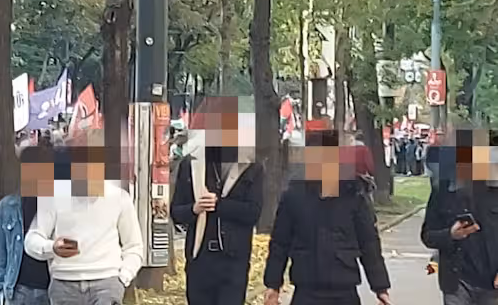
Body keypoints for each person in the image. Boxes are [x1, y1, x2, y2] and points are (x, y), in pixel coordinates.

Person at [263, 129, 390, 305]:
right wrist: (273, 285)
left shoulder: (353, 195)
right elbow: (280, 243)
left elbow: (369, 243)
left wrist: (380, 288)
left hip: (344, 288)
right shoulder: (294, 196)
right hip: (307, 288)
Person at [24, 146, 144, 305]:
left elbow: (134, 246)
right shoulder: (54, 195)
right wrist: (52, 247)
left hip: (107, 282)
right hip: (64, 283)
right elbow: (32, 240)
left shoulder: (119, 197)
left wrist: (123, 277)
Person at [171, 130, 263, 303]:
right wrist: (194, 209)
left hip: (233, 261)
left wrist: (219, 205)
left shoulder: (250, 166)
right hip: (200, 259)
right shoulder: (192, 165)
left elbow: (253, 212)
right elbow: (176, 212)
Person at [421, 127, 498, 305]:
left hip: (492, 286)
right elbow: (427, 235)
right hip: (457, 283)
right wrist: (450, 235)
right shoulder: (443, 191)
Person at [0, 145, 52, 305]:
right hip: (18, 288)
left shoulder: (56, 204)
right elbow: (0, 254)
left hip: (52, 289)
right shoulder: (8, 206)